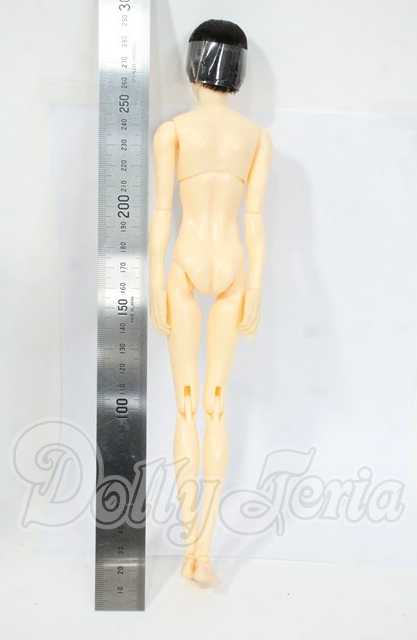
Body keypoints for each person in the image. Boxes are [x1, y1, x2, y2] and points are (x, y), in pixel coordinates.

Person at [149, 19, 272, 584]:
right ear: (238, 72)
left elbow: (161, 214)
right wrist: (256, 286)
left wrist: (157, 282)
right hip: (232, 270)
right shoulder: (257, 138)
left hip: (186, 263)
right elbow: (254, 221)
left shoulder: (174, 132)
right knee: (216, 406)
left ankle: (191, 546)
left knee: (187, 406)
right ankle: (202, 549)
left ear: (194, 66)